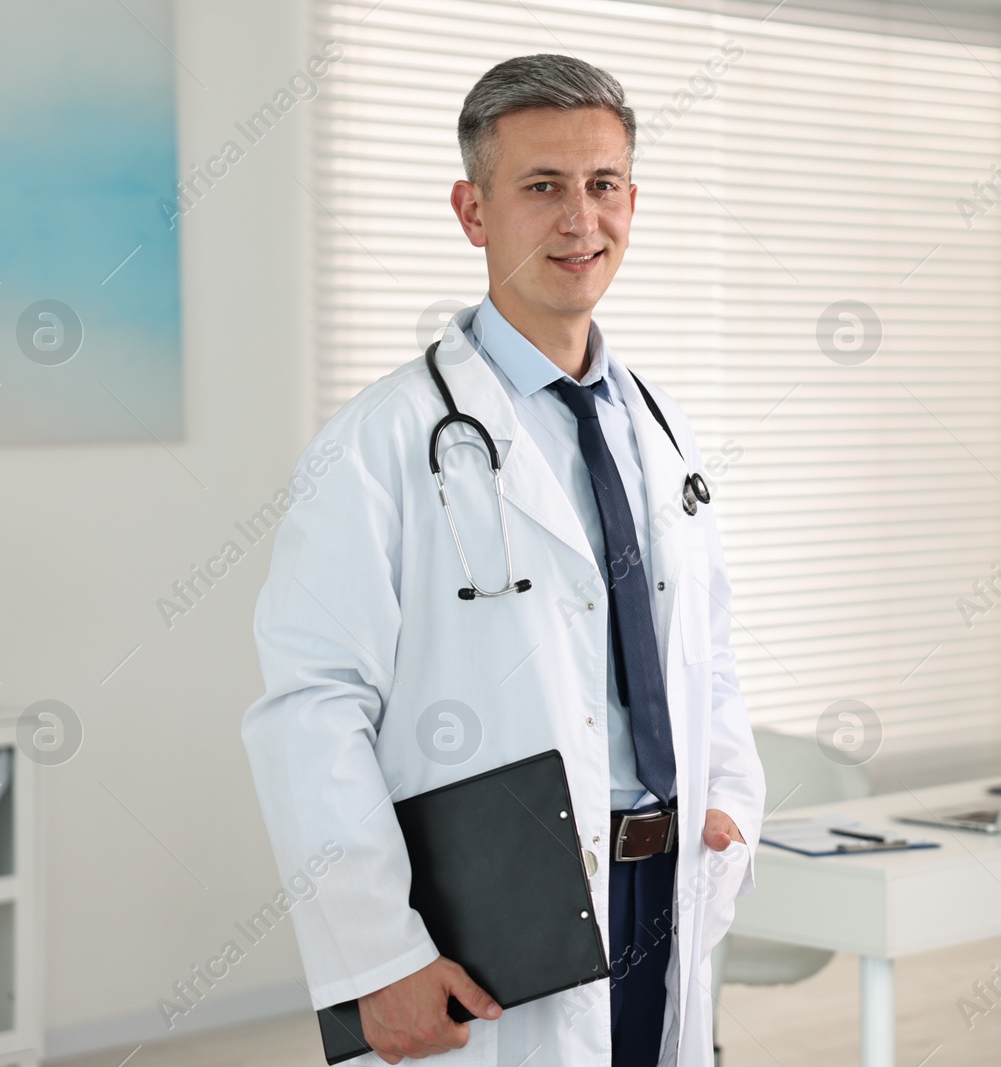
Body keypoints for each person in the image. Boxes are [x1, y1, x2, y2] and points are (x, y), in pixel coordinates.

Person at [242, 53, 765, 1066]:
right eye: (541, 188)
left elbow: (712, 648)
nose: (581, 220)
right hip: (496, 911)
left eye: (601, 185)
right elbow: (312, 708)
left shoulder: (660, 429)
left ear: (631, 200)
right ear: (473, 211)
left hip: (663, 887)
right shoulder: (378, 445)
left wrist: (732, 805)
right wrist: (374, 954)